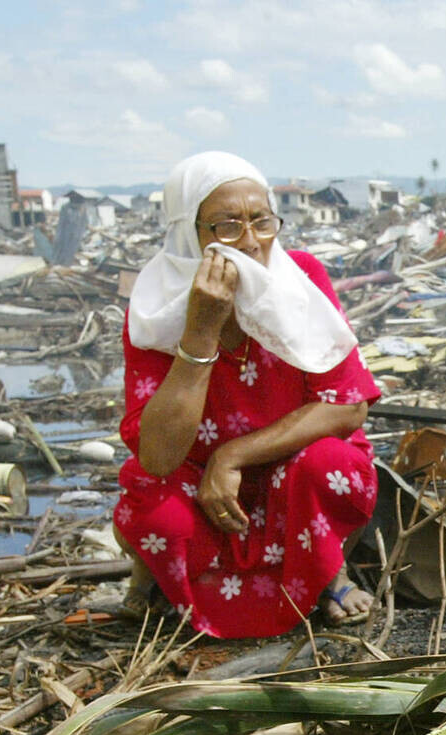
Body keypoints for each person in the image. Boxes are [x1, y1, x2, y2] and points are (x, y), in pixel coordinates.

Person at [112, 151, 378, 638]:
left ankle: (327, 570)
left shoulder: (300, 279)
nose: (252, 243)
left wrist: (232, 456)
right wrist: (200, 331)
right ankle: (167, 583)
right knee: (148, 500)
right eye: (227, 227)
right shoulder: (158, 308)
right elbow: (158, 455)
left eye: (261, 221)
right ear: (187, 233)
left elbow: (347, 405)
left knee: (331, 465)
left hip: (292, 473)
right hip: (199, 486)